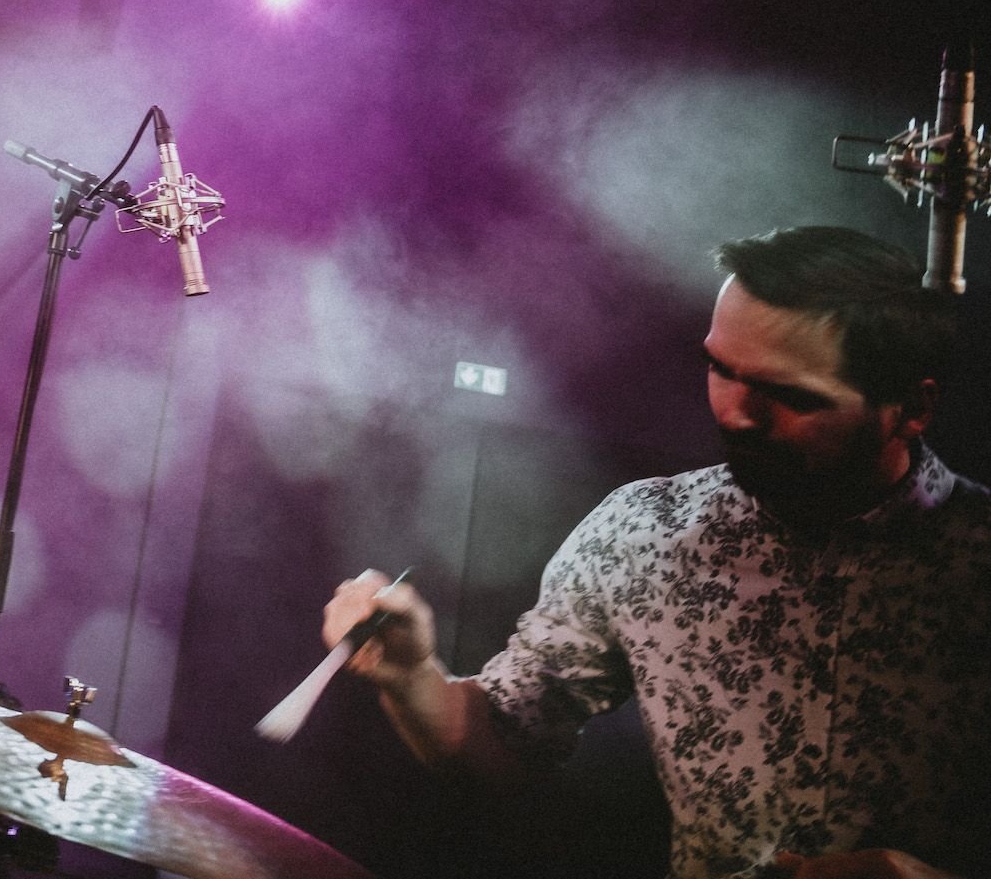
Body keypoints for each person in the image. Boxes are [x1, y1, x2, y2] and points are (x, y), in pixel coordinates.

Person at [320, 224, 985, 879]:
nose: (736, 413)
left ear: (911, 408)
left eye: (790, 395)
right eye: (721, 369)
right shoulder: (647, 533)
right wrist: (411, 675)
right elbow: (504, 741)